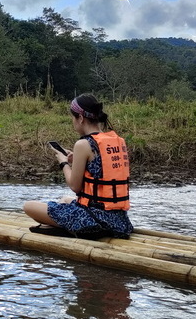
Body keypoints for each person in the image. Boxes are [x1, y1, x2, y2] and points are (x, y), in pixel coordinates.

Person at [23, 94, 134, 239]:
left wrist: (63, 162)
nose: (73, 121)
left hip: (93, 221)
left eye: (73, 117)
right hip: (119, 220)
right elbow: (101, 168)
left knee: (28, 206)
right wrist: (76, 160)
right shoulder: (117, 140)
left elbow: (75, 186)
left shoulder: (83, 144)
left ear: (80, 118)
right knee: (65, 199)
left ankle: (73, 230)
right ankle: (69, 228)